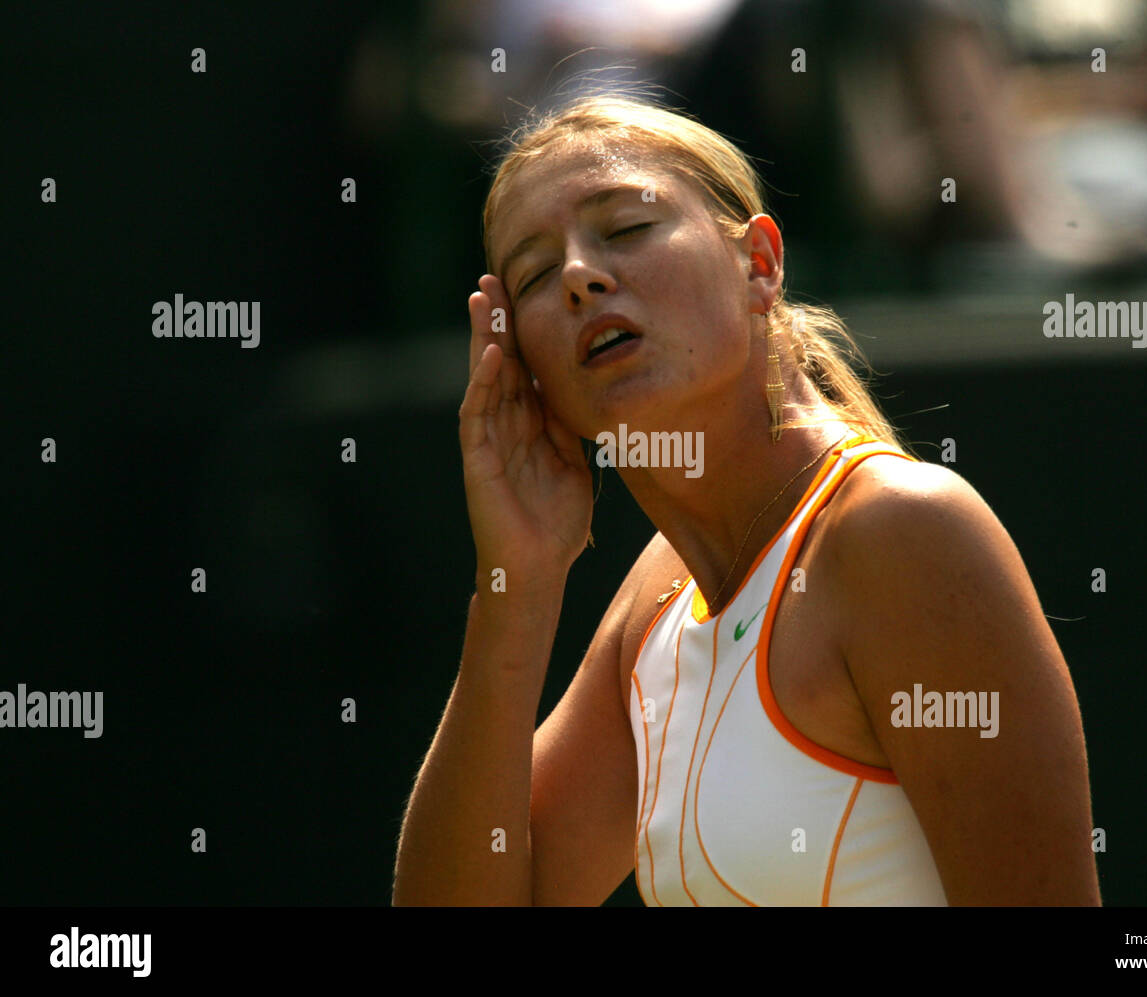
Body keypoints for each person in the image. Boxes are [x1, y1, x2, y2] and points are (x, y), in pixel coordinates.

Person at [392, 93, 1101, 906]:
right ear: (526, 367)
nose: (581, 275)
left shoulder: (902, 530)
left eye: (625, 227)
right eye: (535, 275)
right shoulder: (655, 604)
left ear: (759, 264)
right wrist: (515, 584)